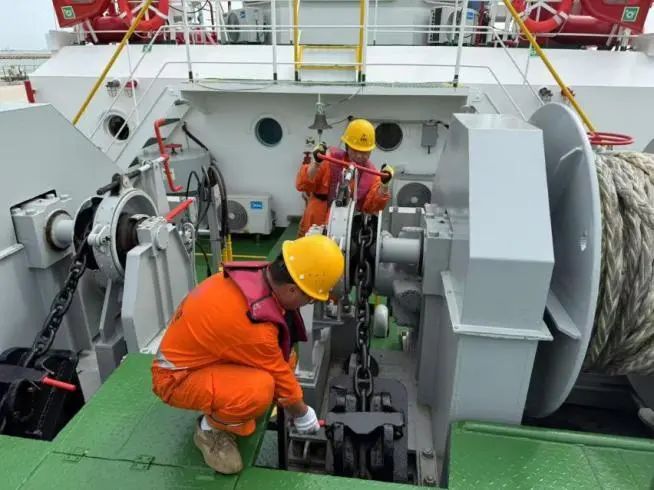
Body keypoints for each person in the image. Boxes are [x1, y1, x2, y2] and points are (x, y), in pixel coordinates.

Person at [151, 235, 344, 474]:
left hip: (208, 355)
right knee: (259, 391)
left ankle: (226, 404)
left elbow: (277, 357)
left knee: (283, 362)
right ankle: (210, 429)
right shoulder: (254, 326)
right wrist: (302, 414)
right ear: (292, 289)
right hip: (175, 379)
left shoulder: (259, 279)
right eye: (309, 298)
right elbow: (277, 372)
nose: (308, 303)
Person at [295, 118, 394, 237]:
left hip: (344, 230)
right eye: (355, 150)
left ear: (371, 151)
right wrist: (316, 163)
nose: (359, 156)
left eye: (364, 152)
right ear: (347, 146)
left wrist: (384, 186)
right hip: (313, 223)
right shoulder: (329, 160)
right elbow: (303, 185)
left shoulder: (372, 175)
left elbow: (372, 206)